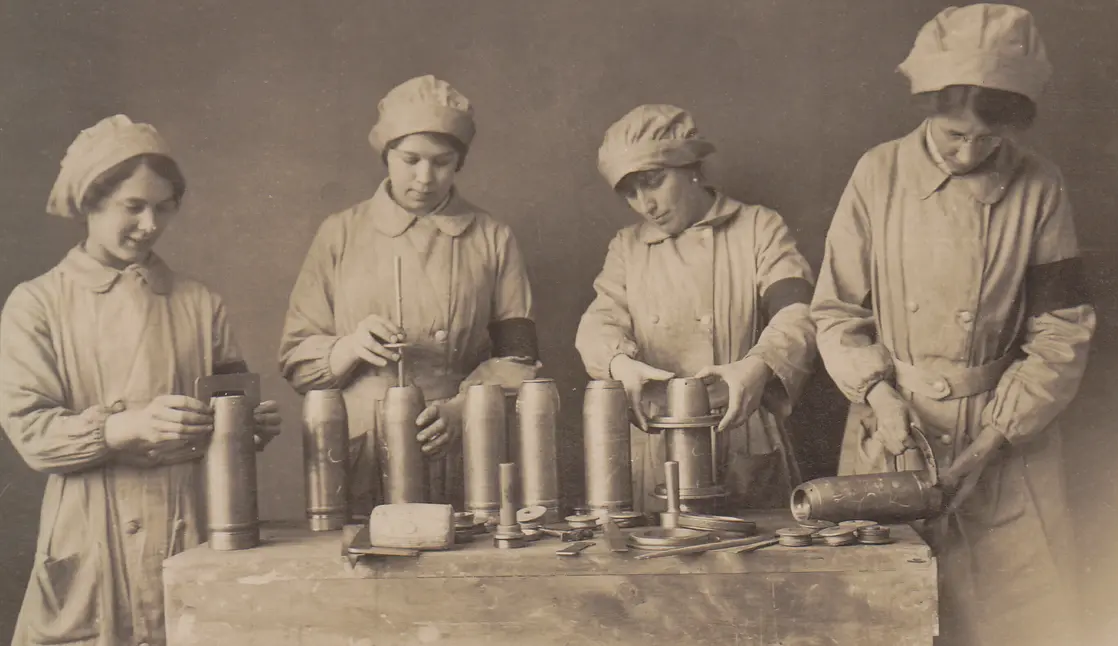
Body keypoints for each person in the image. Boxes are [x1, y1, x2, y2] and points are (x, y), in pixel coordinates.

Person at [811, 5, 1094, 645]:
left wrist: (996, 436)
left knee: (1016, 621)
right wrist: (880, 399)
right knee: (883, 619)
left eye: (987, 141)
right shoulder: (876, 175)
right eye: (952, 136)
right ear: (927, 110)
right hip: (888, 433)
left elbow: (1062, 328)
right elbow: (835, 312)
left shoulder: (1040, 187)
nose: (969, 153)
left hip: (1002, 441)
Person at [0, 115, 281, 646]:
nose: (151, 224)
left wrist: (247, 424)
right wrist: (122, 428)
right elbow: (31, 435)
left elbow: (228, 402)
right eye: (134, 206)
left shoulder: (201, 304)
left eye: (164, 206)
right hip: (91, 533)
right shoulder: (36, 304)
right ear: (91, 202)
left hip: (186, 524)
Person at [279, 75, 539, 514]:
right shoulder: (339, 234)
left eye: (442, 161)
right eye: (410, 159)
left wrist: (464, 412)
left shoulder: (493, 238)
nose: (424, 177)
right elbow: (296, 361)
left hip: (459, 444)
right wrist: (348, 348)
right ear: (386, 156)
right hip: (358, 451)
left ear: (459, 162)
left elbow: (519, 359)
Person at [575, 104, 817, 513]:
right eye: (630, 193)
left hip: (741, 431)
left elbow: (797, 312)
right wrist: (620, 365)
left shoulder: (758, 228)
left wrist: (758, 365)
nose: (644, 205)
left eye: (653, 183)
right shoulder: (628, 247)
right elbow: (599, 321)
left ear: (690, 166)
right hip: (660, 445)